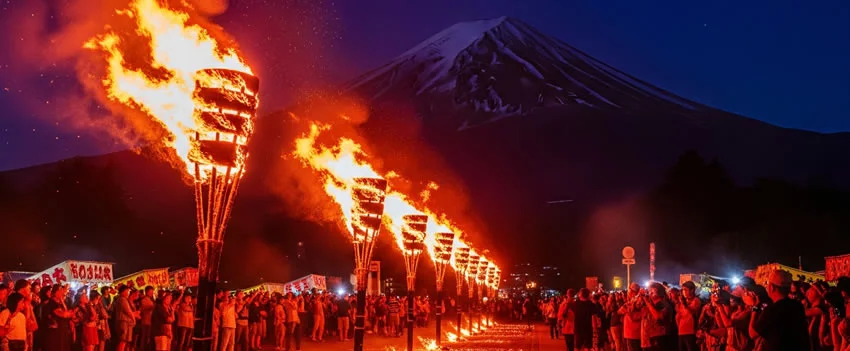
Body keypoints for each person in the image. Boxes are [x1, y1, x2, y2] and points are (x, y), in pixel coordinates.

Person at [746, 269, 808, 351]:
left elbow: (752, 334)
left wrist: (754, 307)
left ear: (771, 287)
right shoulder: (797, 306)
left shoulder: (772, 310)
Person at [676, 281, 701, 351]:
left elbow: (690, 312)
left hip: (691, 332)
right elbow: (678, 316)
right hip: (681, 332)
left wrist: (683, 303)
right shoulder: (683, 302)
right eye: (683, 290)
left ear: (692, 290)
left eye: (685, 290)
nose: (683, 292)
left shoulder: (696, 300)